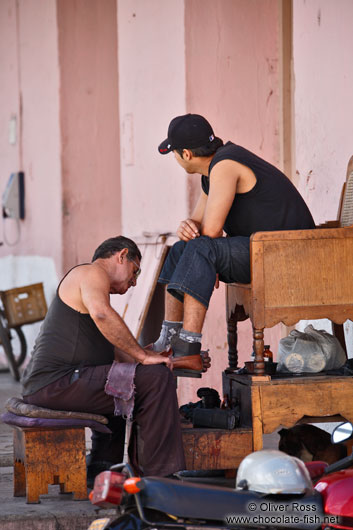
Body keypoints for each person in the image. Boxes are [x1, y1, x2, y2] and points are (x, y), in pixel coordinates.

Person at [21, 236, 186, 483]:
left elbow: (121, 355)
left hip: (53, 383)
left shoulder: (92, 291)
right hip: (55, 382)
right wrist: (142, 356)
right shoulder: (91, 273)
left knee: (126, 382)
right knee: (156, 379)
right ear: (121, 255)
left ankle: (103, 468)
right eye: (135, 271)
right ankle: (159, 476)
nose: (134, 281)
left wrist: (149, 356)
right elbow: (102, 314)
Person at [153, 113, 315, 362]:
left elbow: (210, 232)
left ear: (186, 154)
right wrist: (185, 228)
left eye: (174, 153)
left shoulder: (226, 165)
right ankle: (169, 339)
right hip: (264, 250)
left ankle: (188, 348)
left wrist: (203, 255)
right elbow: (198, 226)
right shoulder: (213, 170)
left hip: (289, 253)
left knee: (200, 250)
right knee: (180, 249)